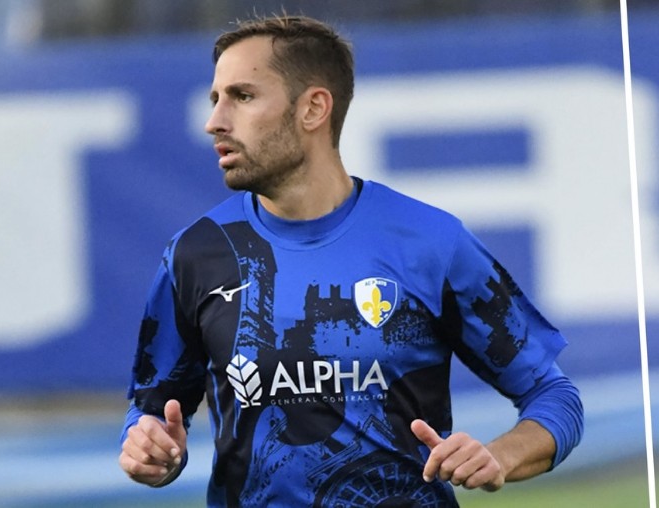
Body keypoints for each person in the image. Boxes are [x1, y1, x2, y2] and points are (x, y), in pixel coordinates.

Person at [118, 14, 584, 507]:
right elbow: (150, 412)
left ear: (313, 108)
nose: (214, 121)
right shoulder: (195, 254)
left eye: (243, 96)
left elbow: (555, 398)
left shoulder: (431, 243)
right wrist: (149, 449)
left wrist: (499, 457)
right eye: (216, 98)